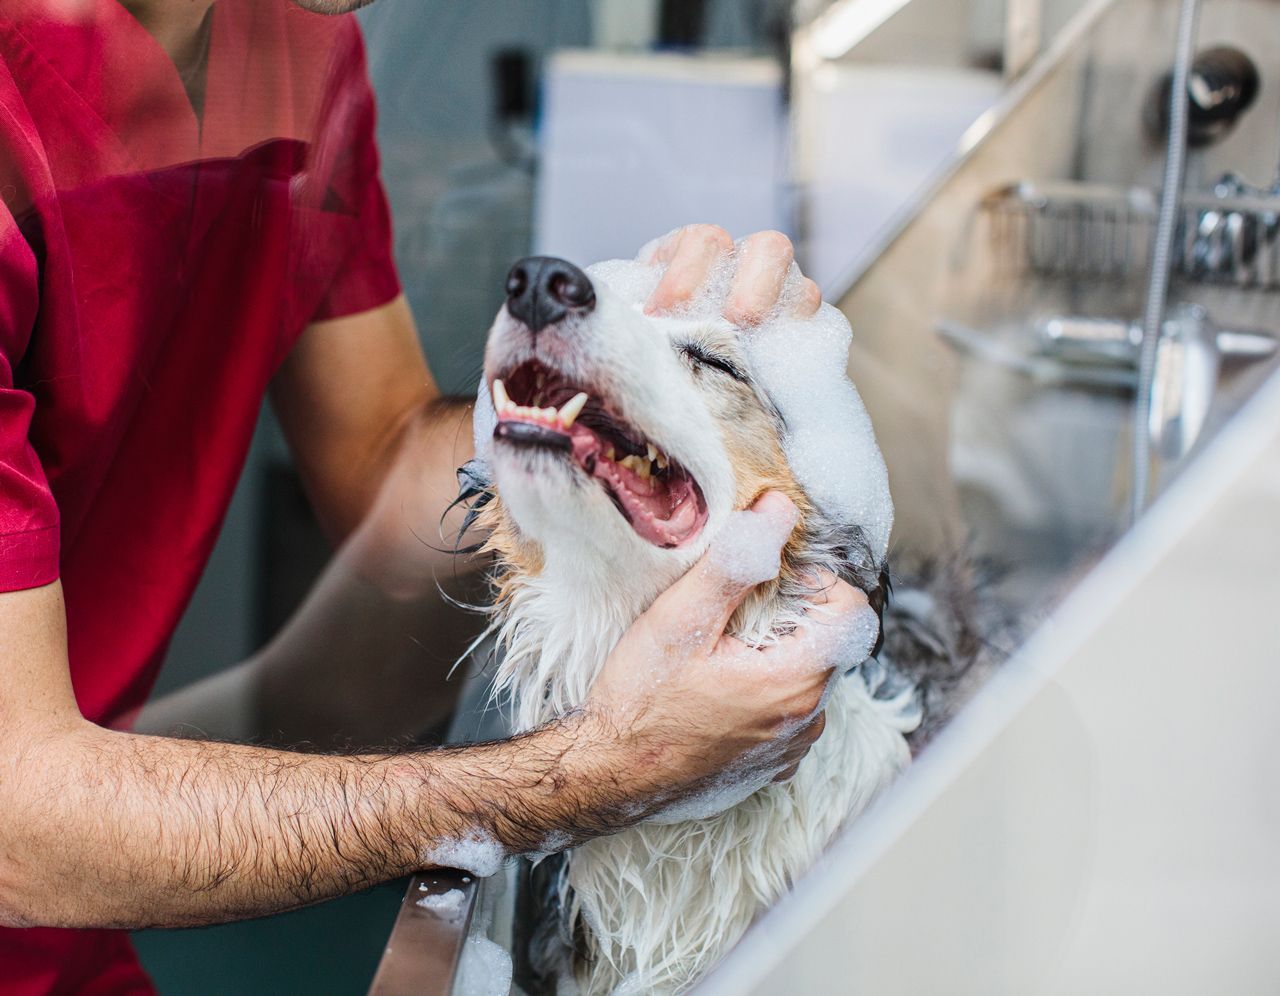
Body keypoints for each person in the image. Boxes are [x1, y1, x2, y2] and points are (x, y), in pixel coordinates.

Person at [0, 0, 871, 990]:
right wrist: (592, 771)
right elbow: (14, 824)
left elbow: (382, 460)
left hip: (72, 945)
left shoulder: (298, 42)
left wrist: (618, 379)